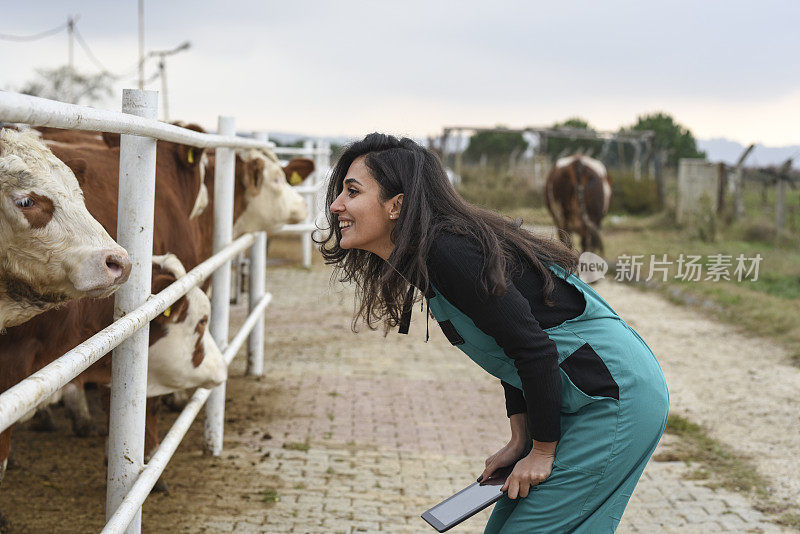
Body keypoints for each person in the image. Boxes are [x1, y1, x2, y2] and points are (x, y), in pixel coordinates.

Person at [317, 133, 669, 533]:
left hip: (612, 397)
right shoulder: (430, 255)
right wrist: (521, 438)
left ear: (397, 205)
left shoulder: (449, 252)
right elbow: (512, 349)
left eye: (352, 191)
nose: (336, 205)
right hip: (580, 398)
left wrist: (541, 450)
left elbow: (533, 349)